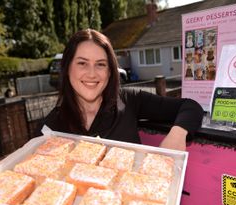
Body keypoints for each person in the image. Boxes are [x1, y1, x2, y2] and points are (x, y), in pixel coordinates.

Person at [42, 29, 204, 151]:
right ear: (67, 68)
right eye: (82, 63)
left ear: (110, 70)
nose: (92, 74)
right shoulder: (51, 126)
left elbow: (190, 107)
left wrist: (177, 135)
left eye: (100, 64)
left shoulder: (129, 100)